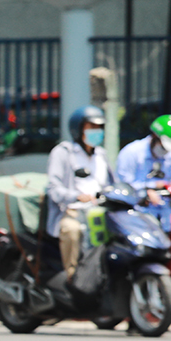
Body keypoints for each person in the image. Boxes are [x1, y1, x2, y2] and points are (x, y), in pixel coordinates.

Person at [47, 105, 113, 282]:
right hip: (73, 212)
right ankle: (72, 278)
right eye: (91, 127)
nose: (96, 132)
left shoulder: (101, 155)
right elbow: (53, 188)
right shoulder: (64, 153)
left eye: (99, 128)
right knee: (72, 231)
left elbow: (112, 185)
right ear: (78, 128)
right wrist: (75, 195)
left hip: (98, 211)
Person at [116, 113, 171, 206]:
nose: (166, 152)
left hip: (165, 214)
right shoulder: (131, 152)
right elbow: (123, 187)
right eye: (164, 148)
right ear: (155, 136)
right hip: (136, 212)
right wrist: (146, 191)